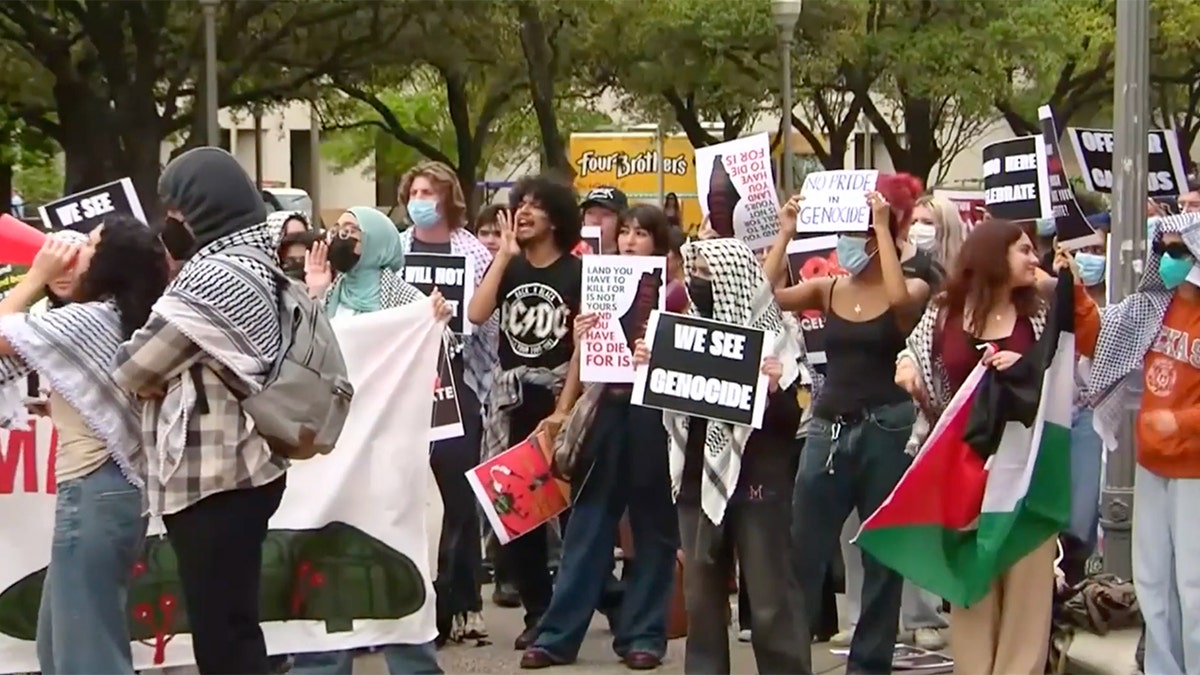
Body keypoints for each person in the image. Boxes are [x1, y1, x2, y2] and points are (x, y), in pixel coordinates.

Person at [111, 147, 287, 674]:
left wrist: (150, 377)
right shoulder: (257, 261)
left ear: (208, 210)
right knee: (235, 622)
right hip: (248, 470)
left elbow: (134, 367)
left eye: (178, 211)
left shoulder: (214, 278)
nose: (170, 224)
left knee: (221, 635)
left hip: (215, 477)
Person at [770, 174, 930, 675]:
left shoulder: (914, 283)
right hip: (828, 427)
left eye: (857, 233)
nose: (847, 244)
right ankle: (788, 658)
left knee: (882, 551)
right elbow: (766, 294)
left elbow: (901, 304)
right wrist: (786, 232)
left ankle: (870, 663)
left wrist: (883, 227)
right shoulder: (829, 287)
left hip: (886, 428)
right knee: (803, 544)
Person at [633, 236, 811, 674]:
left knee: (769, 601)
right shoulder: (683, 333)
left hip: (759, 484)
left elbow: (797, 418)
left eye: (708, 274)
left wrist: (776, 388)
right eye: (694, 273)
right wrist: (651, 366)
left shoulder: (779, 338)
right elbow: (672, 406)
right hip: (698, 481)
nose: (699, 282)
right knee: (701, 602)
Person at [0, 223, 168, 674]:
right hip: (110, 492)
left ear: (111, 262)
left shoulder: (91, 318)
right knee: (59, 647)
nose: (75, 250)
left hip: (94, 490)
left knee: (85, 655)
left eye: (90, 244)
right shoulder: (125, 315)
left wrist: (35, 277)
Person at [290, 206, 450, 674]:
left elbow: (431, 363)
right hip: (330, 456)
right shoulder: (328, 294)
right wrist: (315, 293)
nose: (341, 237)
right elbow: (303, 354)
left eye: (353, 231)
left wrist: (434, 321)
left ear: (378, 241)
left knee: (394, 556)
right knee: (323, 557)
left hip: (385, 458)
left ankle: (413, 663)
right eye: (338, 228)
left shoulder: (406, 301)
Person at [519, 205, 679, 671]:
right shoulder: (601, 284)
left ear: (659, 244)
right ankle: (557, 636)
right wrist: (564, 405)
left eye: (641, 234)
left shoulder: (675, 293)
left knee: (652, 527)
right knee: (588, 524)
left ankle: (643, 636)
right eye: (625, 231)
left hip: (654, 415)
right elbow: (583, 359)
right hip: (606, 410)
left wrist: (660, 352)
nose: (629, 240)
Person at [894, 220, 1057, 674]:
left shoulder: (1039, 312)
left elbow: (1062, 370)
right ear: (992, 256)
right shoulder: (944, 311)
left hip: (1025, 470)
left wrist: (1024, 365)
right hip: (963, 466)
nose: (1033, 259)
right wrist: (908, 370)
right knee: (972, 585)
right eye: (1023, 250)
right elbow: (913, 352)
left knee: (1026, 587)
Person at [1072, 211, 1200, 675]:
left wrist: (1181, 422)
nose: (1167, 259)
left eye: (1178, 250)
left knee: (1194, 585)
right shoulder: (1152, 307)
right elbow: (1100, 339)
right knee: (1151, 582)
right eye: (1162, 249)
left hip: (1194, 468)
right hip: (1152, 463)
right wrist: (1074, 292)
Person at [467, 173, 583, 650]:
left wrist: (564, 408)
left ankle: (592, 603)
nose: (525, 212)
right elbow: (476, 314)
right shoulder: (510, 268)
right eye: (520, 204)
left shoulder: (577, 273)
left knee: (571, 513)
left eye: (536, 205)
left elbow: (582, 349)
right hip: (510, 400)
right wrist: (503, 255)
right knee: (516, 514)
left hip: (556, 397)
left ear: (556, 218)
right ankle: (538, 610)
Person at [397, 160, 497, 644]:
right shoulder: (396, 249)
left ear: (448, 200)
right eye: (415, 192)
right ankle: (416, 604)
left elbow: (488, 319)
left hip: (459, 382)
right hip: (407, 387)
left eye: (430, 192)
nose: (421, 199)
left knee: (458, 496)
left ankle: (463, 601)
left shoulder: (472, 252)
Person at [910, 195, 966, 276]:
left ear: (947, 228)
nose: (917, 227)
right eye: (913, 222)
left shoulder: (965, 271)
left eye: (928, 222)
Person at [580, 186, 627, 254]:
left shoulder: (634, 257)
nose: (596, 221)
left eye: (606, 214)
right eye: (590, 213)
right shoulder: (570, 254)